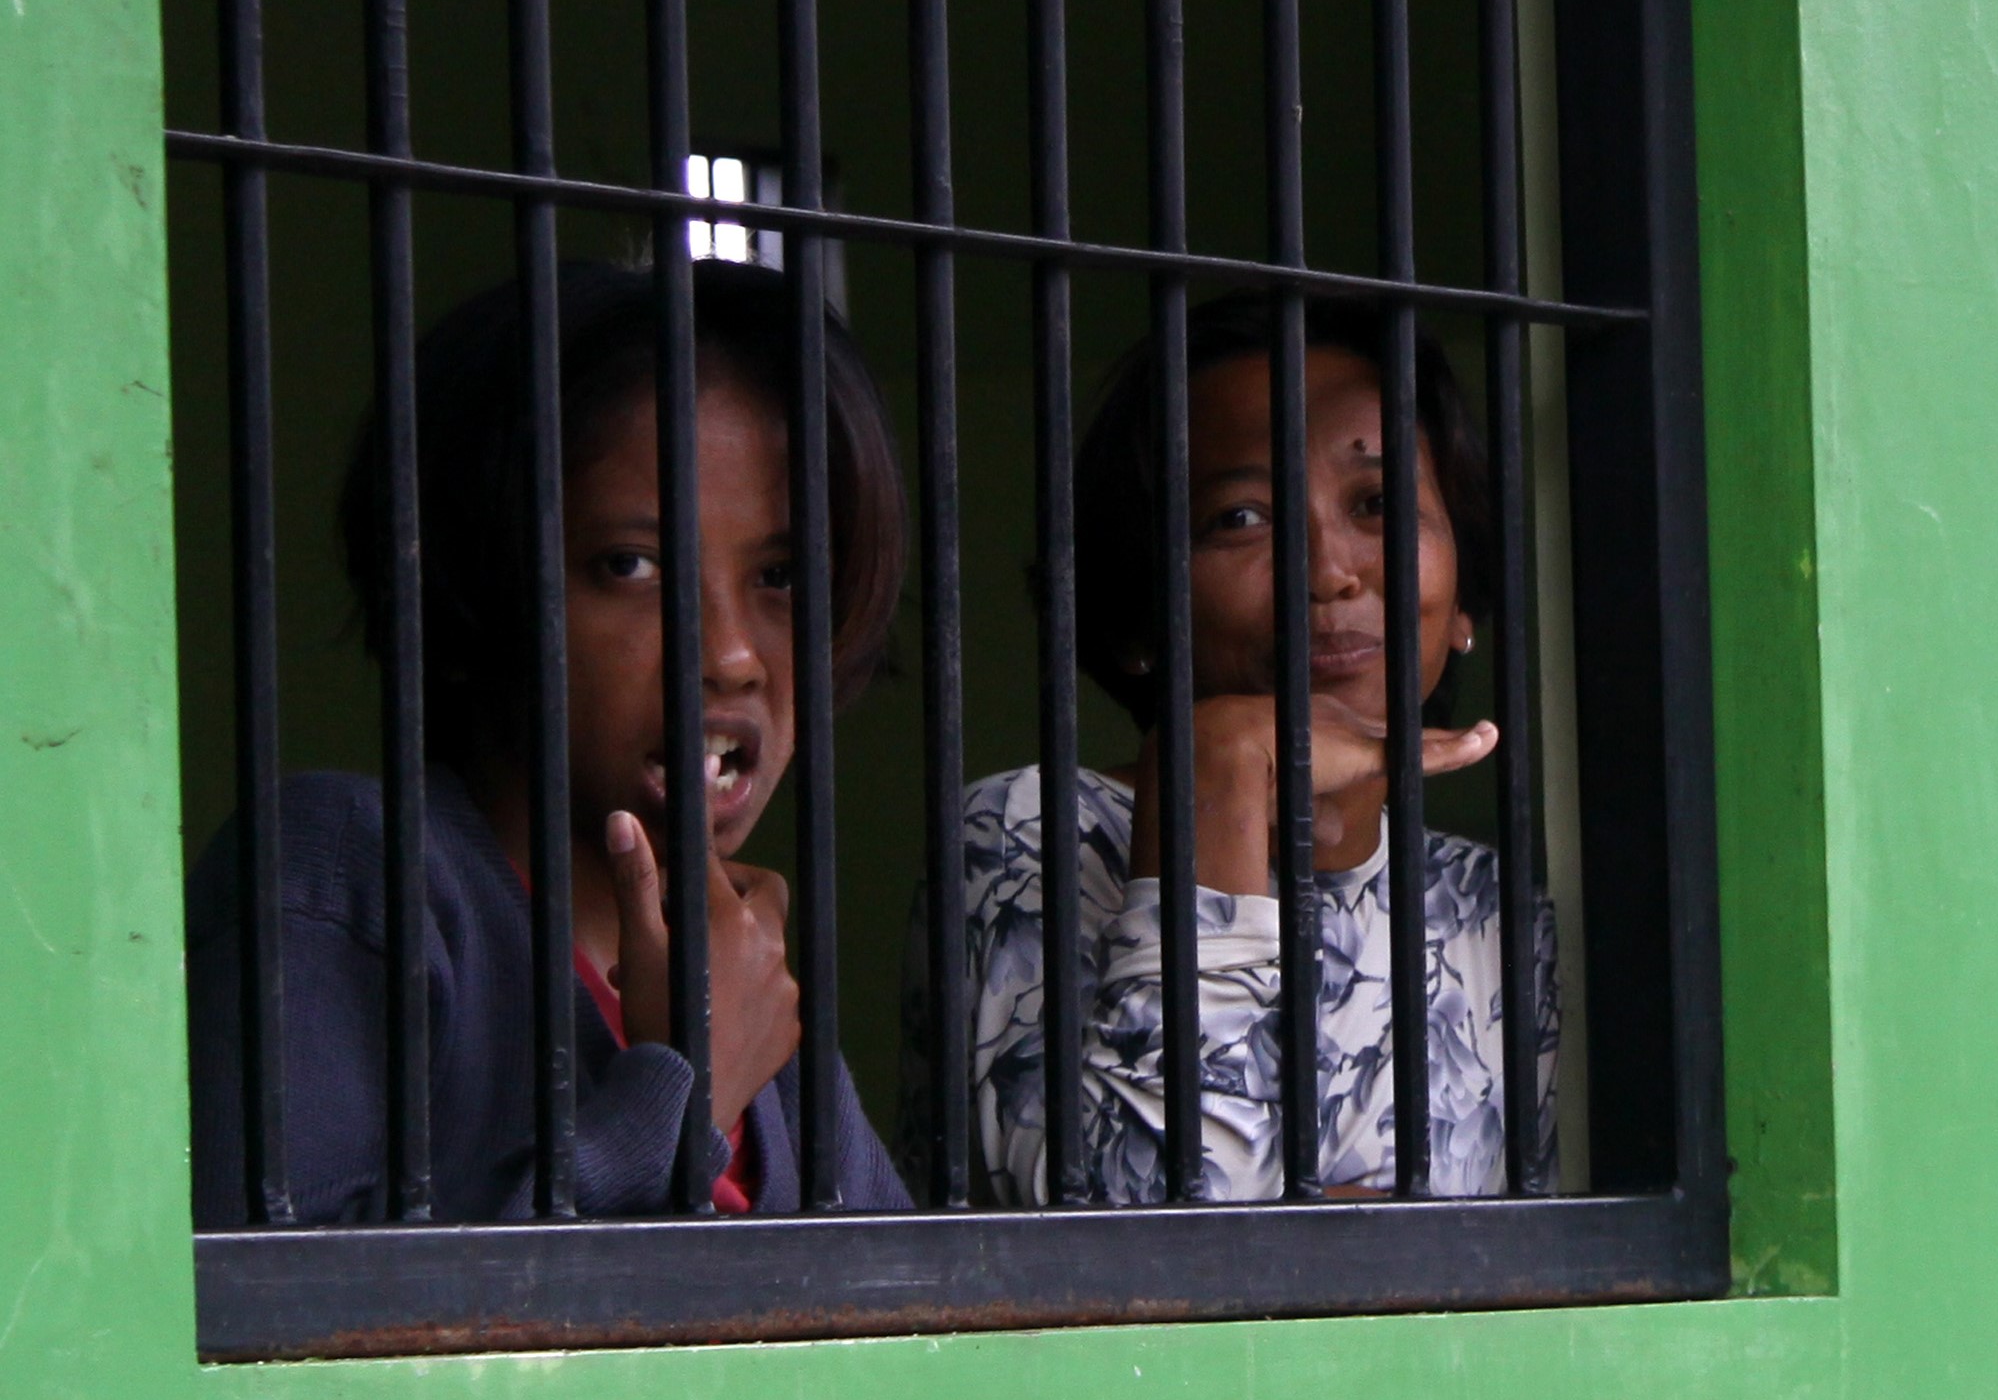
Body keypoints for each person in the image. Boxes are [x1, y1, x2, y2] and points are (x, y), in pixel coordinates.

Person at [186, 260, 907, 1226]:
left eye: (780, 575)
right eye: (631, 564)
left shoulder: (751, 998)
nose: (732, 655)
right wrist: (677, 1093)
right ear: (473, 576)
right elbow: (285, 1336)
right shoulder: (351, 873)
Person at [915, 295, 1557, 1205]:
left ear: (1460, 604)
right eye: (1241, 520)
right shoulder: (1029, 836)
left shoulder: (1483, 909)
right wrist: (1212, 772)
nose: (1329, 571)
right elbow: (1133, 1261)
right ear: (1136, 612)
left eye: (1378, 504)